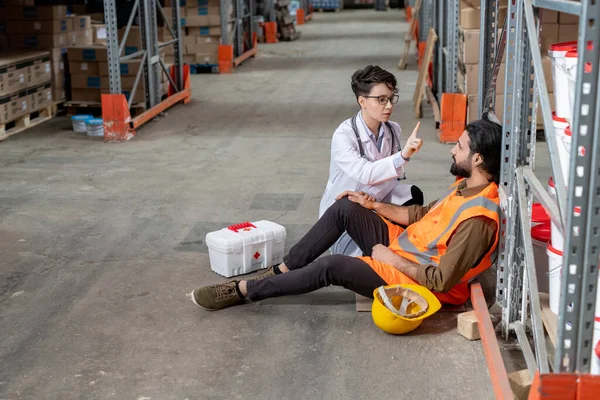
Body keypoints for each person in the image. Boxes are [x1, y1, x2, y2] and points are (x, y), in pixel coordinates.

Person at [190, 116, 502, 311]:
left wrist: (389, 259)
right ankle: (284, 269)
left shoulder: (478, 219)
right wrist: (374, 206)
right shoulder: (464, 186)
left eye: (459, 147)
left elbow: (442, 281)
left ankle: (244, 290)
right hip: (404, 249)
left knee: (332, 266)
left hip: (416, 280)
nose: (451, 150)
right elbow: (420, 214)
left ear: (477, 159)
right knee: (346, 206)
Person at [320, 65, 424, 257]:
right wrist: (403, 156)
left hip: (374, 199)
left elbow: (394, 176)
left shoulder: (392, 130)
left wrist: (374, 200)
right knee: (367, 257)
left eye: (391, 99)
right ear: (362, 101)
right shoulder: (344, 135)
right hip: (345, 211)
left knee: (412, 195)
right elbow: (365, 173)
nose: (389, 106)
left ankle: (395, 242)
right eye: (381, 99)